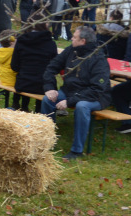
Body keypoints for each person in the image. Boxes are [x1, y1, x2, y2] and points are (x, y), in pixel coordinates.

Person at [41, 26, 112, 161]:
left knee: (81, 106)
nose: (71, 38)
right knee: (47, 99)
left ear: (83, 41)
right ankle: (46, 140)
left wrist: (70, 101)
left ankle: (77, 150)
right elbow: (52, 67)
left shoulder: (98, 58)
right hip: (70, 91)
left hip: (96, 97)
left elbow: (97, 89)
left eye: (74, 37)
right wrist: (50, 87)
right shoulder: (71, 50)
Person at [10, 17, 58, 111]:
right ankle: (39, 110)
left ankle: (23, 107)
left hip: (23, 83)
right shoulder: (51, 44)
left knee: (26, 75)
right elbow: (54, 67)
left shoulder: (21, 41)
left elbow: (14, 66)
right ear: (44, 25)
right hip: (43, 85)